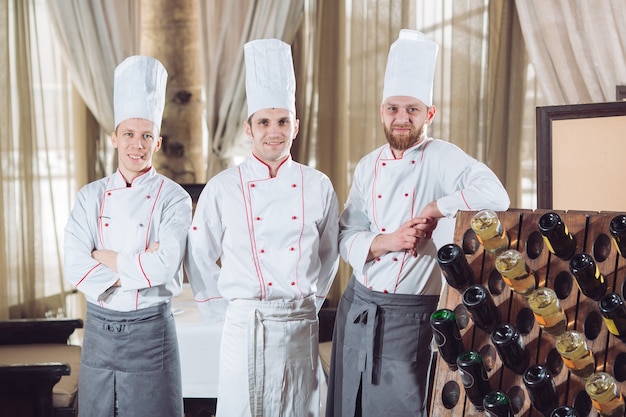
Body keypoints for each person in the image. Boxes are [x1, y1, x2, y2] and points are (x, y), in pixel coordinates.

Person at [325, 29, 511, 417]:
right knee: (349, 405)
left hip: (411, 315)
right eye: (393, 108)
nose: (401, 118)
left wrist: (435, 208)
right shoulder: (368, 165)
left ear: (430, 114)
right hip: (358, 307)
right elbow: (346, 236)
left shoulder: (441, 156)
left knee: (403, 405)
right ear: (382, 111)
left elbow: (497, 196)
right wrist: (387, 241)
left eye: (412, 109)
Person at [185, 38, 340, 417]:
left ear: (296, 125)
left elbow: (330, 252)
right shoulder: (223, 187)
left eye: (283, 121)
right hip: (245, 326)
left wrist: (310, 304)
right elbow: (198, 254)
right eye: (265, 122)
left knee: (299, 409)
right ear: (248, 128)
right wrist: (225, 311)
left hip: (300, 324)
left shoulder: (318, 184)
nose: (275, 131)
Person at [63, 55, 191, 417]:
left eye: (146, 136)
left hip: (151, 331)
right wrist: (138, 264)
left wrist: (103, 256)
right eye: (129, 134)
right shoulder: (89, 196)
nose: (137, 144)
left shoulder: (174, 197)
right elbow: (74, 264)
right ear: (114, 138)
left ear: (158, 142)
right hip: (99, 331)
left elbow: (165, 266)